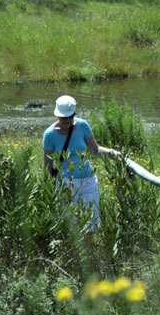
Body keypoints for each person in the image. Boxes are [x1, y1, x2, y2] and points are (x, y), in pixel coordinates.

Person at [43, 95, 121, 229]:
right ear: (57, 115)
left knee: (91, 222)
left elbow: (95, 150)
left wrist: (111, 153)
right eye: (63, 117)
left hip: (88, 179)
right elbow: (48, 166)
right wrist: (50, 189)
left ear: (74, 113)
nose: (67, 120)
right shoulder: (50, 135)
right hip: (66, 182)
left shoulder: (82, 126)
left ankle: (89, 249)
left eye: (70, 116)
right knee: (70, 225)